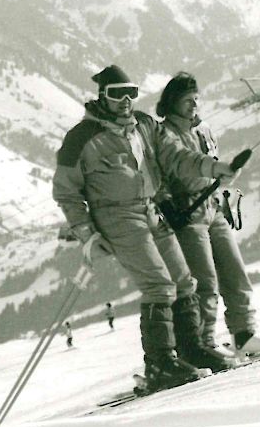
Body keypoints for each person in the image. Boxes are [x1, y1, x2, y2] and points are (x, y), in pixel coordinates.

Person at [52, 64, 239, 393]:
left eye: (131, 93)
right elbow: (67, 193)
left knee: (185, 282)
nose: (125, 100)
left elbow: (176, 156)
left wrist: (213, 167)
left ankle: (191, 350)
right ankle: (160, 364)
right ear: (102, 97)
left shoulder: (144, 125)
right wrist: (87, 234)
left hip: (151, 208)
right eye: (117, 94)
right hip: (117, 216)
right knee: (159, 285)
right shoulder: (82, 138)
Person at [155, 72, 260, 357]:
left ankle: (244, 333)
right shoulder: (165, 134)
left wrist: (225, 179)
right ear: (172, 102)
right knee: (204, 281)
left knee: (234, 272)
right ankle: (203, 341)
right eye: (187, 100)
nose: (194, 105)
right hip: (187, 212)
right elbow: (183, 162)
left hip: (212, 206)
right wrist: (213, 171)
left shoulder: (203, 130)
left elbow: (212, 167)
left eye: (196, 99)